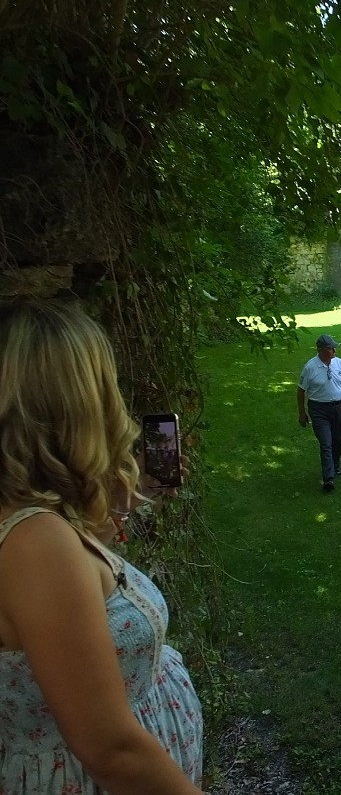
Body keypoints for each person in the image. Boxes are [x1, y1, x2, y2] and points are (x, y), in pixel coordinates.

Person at [0, 300, 203, 794]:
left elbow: (84, 584)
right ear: (76, 400)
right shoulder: (36, 543)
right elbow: (112, 752)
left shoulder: (32, 522)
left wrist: (124, 501)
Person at [297, 333, 341, 492]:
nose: (334, 351)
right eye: (331, 349)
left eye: (334, 348)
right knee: (326, 442)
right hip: (319, 409)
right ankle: (328, 478)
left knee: (338, 439)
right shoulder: (310, 367)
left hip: (338, 407)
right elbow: (300, 391)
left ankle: (335, 465)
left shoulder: (339, 363)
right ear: (321, 350)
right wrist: (302, 413)